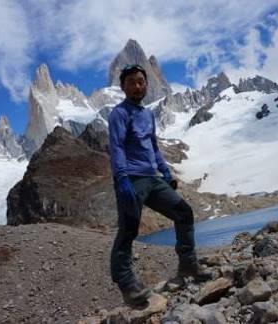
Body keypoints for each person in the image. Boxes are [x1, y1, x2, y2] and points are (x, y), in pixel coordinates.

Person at [108, 64, 211, 307]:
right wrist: (121, 179)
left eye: (141, 81)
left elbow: (153, 146)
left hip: (152, 178)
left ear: (147, 84)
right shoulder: (118, 114)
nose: (137, 86)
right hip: (131, 179)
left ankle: (188, 266)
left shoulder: (147, 115)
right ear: (123, 87)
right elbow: (117, 147)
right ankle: (127, 286)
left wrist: (165, 171)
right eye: (131, 82)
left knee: (184, 212)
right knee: (128, 232)